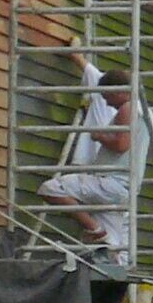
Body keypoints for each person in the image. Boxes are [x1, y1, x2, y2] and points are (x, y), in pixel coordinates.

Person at [25, 16, 146, 268]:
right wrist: (77, 55)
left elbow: (121, 145)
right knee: (116, 248)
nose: (106, 102)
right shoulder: (146, 112)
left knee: (51, 189)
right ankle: (114, 269)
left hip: (110, 182)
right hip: (124, 188)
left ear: (119, 91)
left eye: (107, 97)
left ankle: (96, 231)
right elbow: (93, 74)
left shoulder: (127, 108)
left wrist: (99, 135)